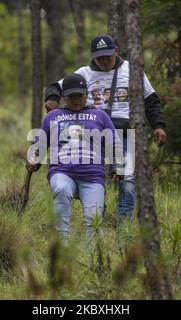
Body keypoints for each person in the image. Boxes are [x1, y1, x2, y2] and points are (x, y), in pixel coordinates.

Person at [44, 34, 167, 220]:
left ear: (116, 51)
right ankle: (96, 214)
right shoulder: (84, 74)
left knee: (127, 180)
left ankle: (122, 223)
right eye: (99, 57)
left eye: (107, 56)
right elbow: (56, 86)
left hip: (124, 132)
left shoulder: (132, 70)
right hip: (92, 133)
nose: (103, 61)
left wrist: (158, 125)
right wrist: (52, 98)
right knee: (93, 177)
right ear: (93, 55)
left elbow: (151, 100)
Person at [27, 73, 125, 242]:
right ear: (64, 97)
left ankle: (92, 258)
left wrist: (118, 167)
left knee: (93, 218)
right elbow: (40, 144)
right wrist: (34, 161)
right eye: (71, 97)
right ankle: (61, 247)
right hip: (62, 171)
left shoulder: (100, 116)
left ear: (86, 95)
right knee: (61, 190)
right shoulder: (53, 116)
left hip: (93, 176)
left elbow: (114, 143)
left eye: (79, 96)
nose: (76, 100)